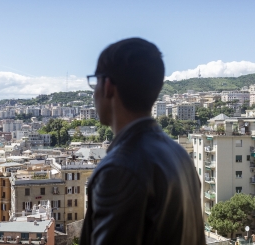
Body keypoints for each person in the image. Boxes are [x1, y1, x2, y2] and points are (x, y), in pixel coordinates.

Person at [80, 38, 205, 245]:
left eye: (95, 81)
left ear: (108, 86)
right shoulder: (180, 155)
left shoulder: (120, 168)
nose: (93, 93)